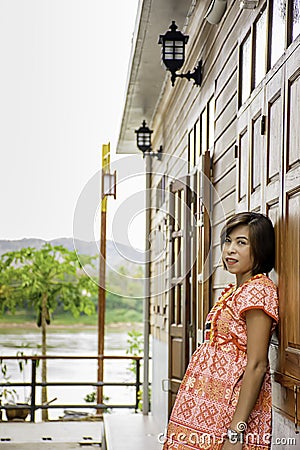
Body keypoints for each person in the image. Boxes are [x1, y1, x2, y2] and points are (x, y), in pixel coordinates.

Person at [162, 212, 279, 450]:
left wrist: (235, 433)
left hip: (227, 412)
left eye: (242, 242)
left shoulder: (258, 291)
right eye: (228, 241)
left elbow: (257, 364)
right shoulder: (234, 290)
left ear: (260, 248)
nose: (230, 250)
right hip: (205, 410)